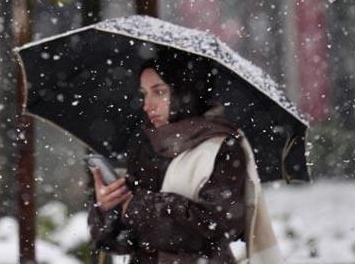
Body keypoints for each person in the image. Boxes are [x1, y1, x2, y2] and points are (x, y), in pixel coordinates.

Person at [88, 52, 281, 264]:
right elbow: (125, 241)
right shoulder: (146, 145)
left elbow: (217, 227)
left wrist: (137, 207)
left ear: (184, 92)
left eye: (159, 92)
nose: (147, 105)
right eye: (144, 94)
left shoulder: (220, 147)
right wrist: (109, 208)